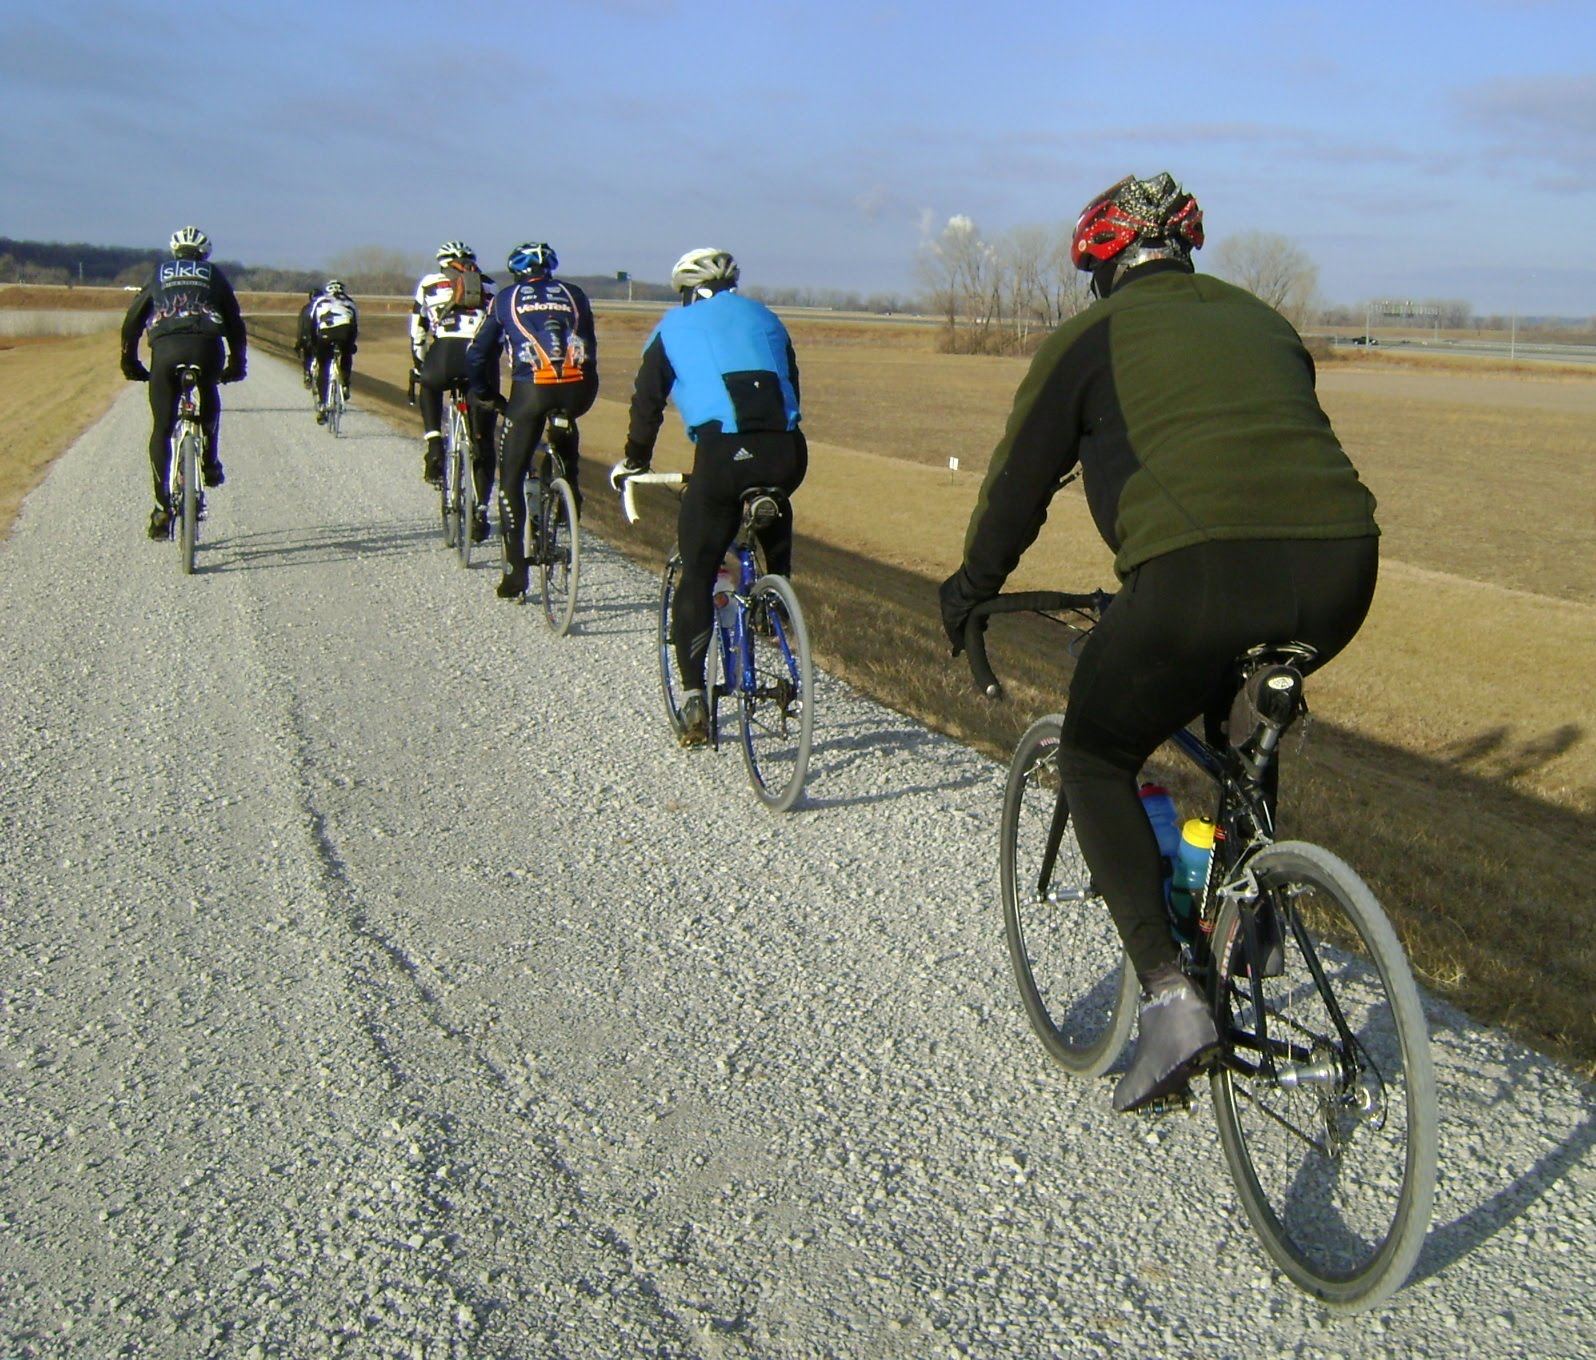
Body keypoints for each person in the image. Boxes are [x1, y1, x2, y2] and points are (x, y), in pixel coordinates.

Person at [938, 173, 1380, 1114]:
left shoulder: (1089, 337)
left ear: (1101, 263)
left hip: (1195, 575)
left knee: (1095, 754)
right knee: (1239, 720)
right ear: (1183, 249)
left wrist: (971, 589)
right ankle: (1252, 904)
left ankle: (1170, 999)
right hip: (1344, 570)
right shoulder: (1263, 321)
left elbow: (1018, 484)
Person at [609, 248, 806, 747]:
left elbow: (647, 403)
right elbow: (792, 390)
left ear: (688, 292)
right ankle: (776, 591)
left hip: (723, 456)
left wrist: (635, 460)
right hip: (787, 452)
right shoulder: (768, 317)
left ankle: (695, 697)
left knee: (697, 573)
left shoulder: (673, 326)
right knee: (772, 497)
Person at [467, 242, 598, 594]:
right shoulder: (574, 293)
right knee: (565, 424)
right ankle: (570, 486)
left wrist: (484, 393)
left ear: (516, 272)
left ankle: (514, 572)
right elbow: (590, 344)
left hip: (531, 391)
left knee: (511, 476)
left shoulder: (506, 298)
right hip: (580, 389)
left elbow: (479, 353)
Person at [120, 225, 247, 539]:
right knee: (209, 389)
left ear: (175, 252)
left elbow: (134, 318)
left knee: (162, 428)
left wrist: (129, 360)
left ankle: (161, 508)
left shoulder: (160, 273)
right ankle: (210, 463)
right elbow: (234, 320)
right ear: (204, 254)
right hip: (206, 347)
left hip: (167, 349)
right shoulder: (213, 274)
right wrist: (237, 363)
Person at [410, 241, 499, 515]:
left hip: (445, 353)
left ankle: (434, 444)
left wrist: (419, 364)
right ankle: (480, 511)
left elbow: (418, 330)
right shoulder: (490, 285)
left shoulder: (429, 283)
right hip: (480, 358)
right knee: (484, 440)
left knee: (429, 384)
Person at [309, 279, 358, 422]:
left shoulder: (320, 301)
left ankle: (323, 404)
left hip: (325, 334)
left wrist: (314, 346)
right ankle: (345, 384)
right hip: (345, 333)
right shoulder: (350, 302)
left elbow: (313, 325)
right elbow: (355, 326)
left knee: (323, 366)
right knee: (346, 355)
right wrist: (351, 344)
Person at [293, 287, 318, 388]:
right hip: (321, 338)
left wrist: (299, 343)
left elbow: (301, 327)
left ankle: (307, 373)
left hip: (307, 338)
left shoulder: (306, 309)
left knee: (308, 355)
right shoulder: (326, 307)